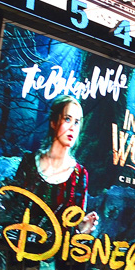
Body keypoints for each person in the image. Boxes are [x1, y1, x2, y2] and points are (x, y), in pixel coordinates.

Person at [9, 95, 93, 228]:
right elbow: (11, 209)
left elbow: (73, 226)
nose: (72, 127)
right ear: (53, 122)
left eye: (77, 122)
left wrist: (82, 227)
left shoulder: (80, 174)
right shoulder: (29, 162)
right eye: (67, 119)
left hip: (57, 248)